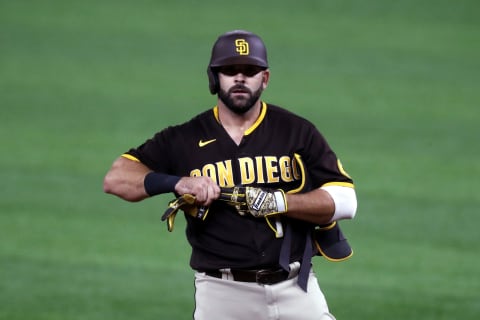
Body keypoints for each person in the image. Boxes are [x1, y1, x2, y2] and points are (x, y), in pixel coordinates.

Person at [103, 30, 357, 320]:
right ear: (214, 78)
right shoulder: (184, 138)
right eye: (229, 70)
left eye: (249, 71)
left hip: (296, 289)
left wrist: (280, 202)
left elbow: (346, 200)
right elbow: (116, 179)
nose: (239, 78)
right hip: (222, 293)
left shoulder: (296, 131)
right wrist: (177, 182)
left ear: (265, 78)